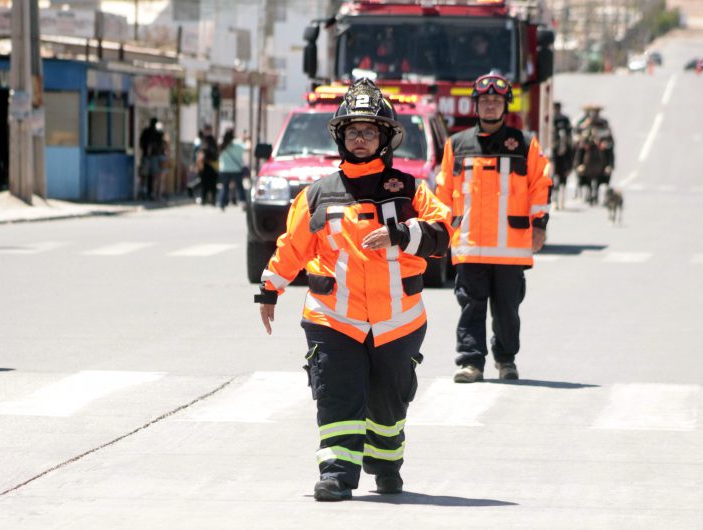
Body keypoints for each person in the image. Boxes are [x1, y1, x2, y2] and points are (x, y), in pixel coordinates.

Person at [255, 78, 451, 501]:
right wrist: (270, 288)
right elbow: (292, 247)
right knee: (337, 395)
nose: (360, 139)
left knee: (388, 405)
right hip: (333, 320)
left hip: (398, 323)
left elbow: (442, 233)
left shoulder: (412, 189)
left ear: (385, 137)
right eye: (352, 131)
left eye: (369, 131)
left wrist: (399, 234)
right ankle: (337, 473)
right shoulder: (316, 194)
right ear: (341, 137)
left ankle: (385, 462)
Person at [435, 72, 551, 383]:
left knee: (507, 313)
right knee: (471, 308)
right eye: (484, 101)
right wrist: (441, 231)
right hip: (470, 245)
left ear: (505, 106)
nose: (489, 106)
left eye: (495, 101)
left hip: (510, 249)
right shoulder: (456, 144)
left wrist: (539, 225)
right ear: (475, 105)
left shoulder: (524, 144)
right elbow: (444, 193)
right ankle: (471, 363)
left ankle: (506, 359)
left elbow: (541, 186)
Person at [573, 105, 614, 205]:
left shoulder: (603, 122)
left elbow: (608, 134)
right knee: (580, 149)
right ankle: (579, 165)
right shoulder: (585, 121)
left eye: (596, 112)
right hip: (588, 143)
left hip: (600, 144)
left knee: (608, 150)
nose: (594, 114)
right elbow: (578, 131)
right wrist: (585, 135)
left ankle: (608, 166)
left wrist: (602, 140)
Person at [551, 101, 574, 210]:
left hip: (564, 141)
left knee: (573, 148)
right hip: (553, 142)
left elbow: (569, 130)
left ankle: (571, 165)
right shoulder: (551, 118)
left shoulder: (565, 119)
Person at [216, 128, 247, 210]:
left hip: (224, 169)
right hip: (236, 169)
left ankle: (221, 203)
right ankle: (243, 202)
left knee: (225, 187)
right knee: (239, 187)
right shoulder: (237, 143)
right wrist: (247, 139)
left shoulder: (222, 144)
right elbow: (248, 147)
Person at [138, 117, 165, 200]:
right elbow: (143, 143)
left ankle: (148, 192)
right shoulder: (149, 132)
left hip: (150, 156)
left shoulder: (156, 133)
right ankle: (146, 192)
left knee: (150, 176)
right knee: (148, 175)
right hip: (149, 156)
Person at [195, 124, 219, 206]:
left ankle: (207, 200)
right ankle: (209, 200)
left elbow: (202, 152)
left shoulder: (207, 140)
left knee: (207, 184)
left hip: (209, 165)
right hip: (210, 165)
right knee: (209, 184)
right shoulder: (211, 140)